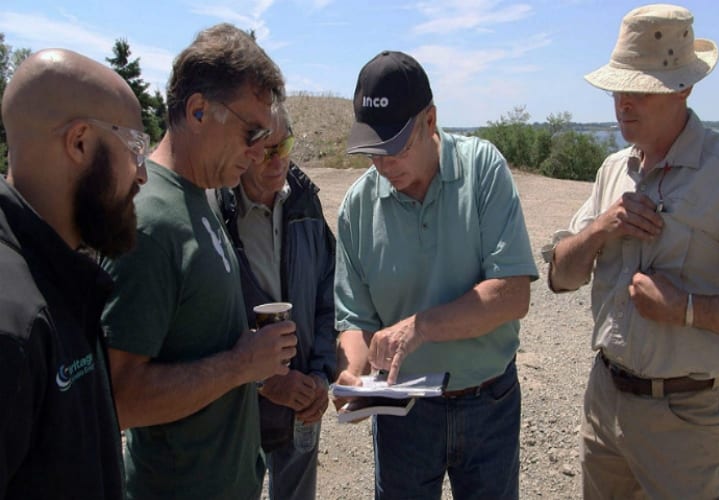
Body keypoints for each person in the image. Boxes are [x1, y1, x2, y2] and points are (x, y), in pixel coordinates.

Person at [545, 4, 719, 499]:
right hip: (604, 401)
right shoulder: (612, 170)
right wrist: (598, 230)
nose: (623, 103)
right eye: (619, 87)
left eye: (640, 89)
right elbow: (559, 277)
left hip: (684, 420)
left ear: (684, 88)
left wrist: (686, 309)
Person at [100, 24, 298, 499]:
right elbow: (117, 399)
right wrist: (239, 365)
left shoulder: (197, 200)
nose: (256, 154)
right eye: (252, 132)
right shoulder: (151, 221)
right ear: (197, 111)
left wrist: (246, 359)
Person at [333, 50, 539, 499]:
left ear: (431, 121)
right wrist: (351, 372)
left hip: (489, 405)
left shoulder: (483, 169)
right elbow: (355, 318)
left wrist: (420, 327)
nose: (385, 166)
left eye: (397, 147)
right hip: (401, 414)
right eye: (374, 153)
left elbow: (511, 294)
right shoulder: (357, 208)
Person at [0, 49, 148, 498]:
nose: (142, 174)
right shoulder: (13, 325)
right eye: (135, 148)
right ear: (80, 142)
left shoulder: (58, 275)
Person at [213, 101, 336, 500]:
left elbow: (328, 295)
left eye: (287, 146)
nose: (280, 160)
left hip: (302, 400)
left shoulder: (305, 201)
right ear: (242, 150)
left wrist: (320, 377)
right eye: (269, 150)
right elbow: (206, 321)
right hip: (237, 409)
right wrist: (264, 381)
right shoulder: (214, 213)